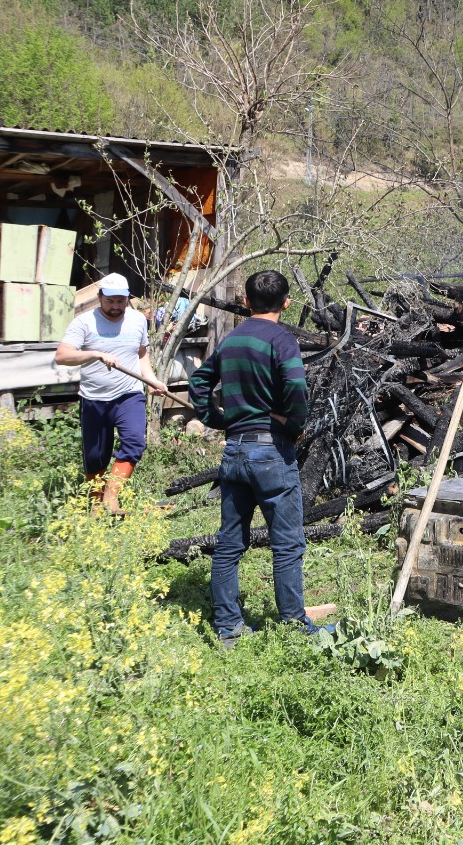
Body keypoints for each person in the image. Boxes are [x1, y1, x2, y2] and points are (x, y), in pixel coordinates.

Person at [189, 269, 319, 646]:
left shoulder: (231, 339)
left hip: (235, 451)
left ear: (246, 302)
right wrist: (295, 424)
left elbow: (199, 382)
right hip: (271, 453)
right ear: (287, 303)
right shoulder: (282, 339)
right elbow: (296, 385)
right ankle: (294, 626)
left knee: (230, 543)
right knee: (288, 543)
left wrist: (217, 419)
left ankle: (228, 627)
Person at [54, 273, 153, 516]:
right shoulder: (84, 323)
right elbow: (62, 355)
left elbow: (141, 353)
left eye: (120, 301)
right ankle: (96, 503)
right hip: (95, 398)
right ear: (100, 298)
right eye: (110, 301)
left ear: (127, 298)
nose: (115, 306)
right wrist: (95, 354)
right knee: (96, 455)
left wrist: (151, 380)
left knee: (134, 443)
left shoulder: (138, 320)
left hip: (129, 394)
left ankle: (112, 497)